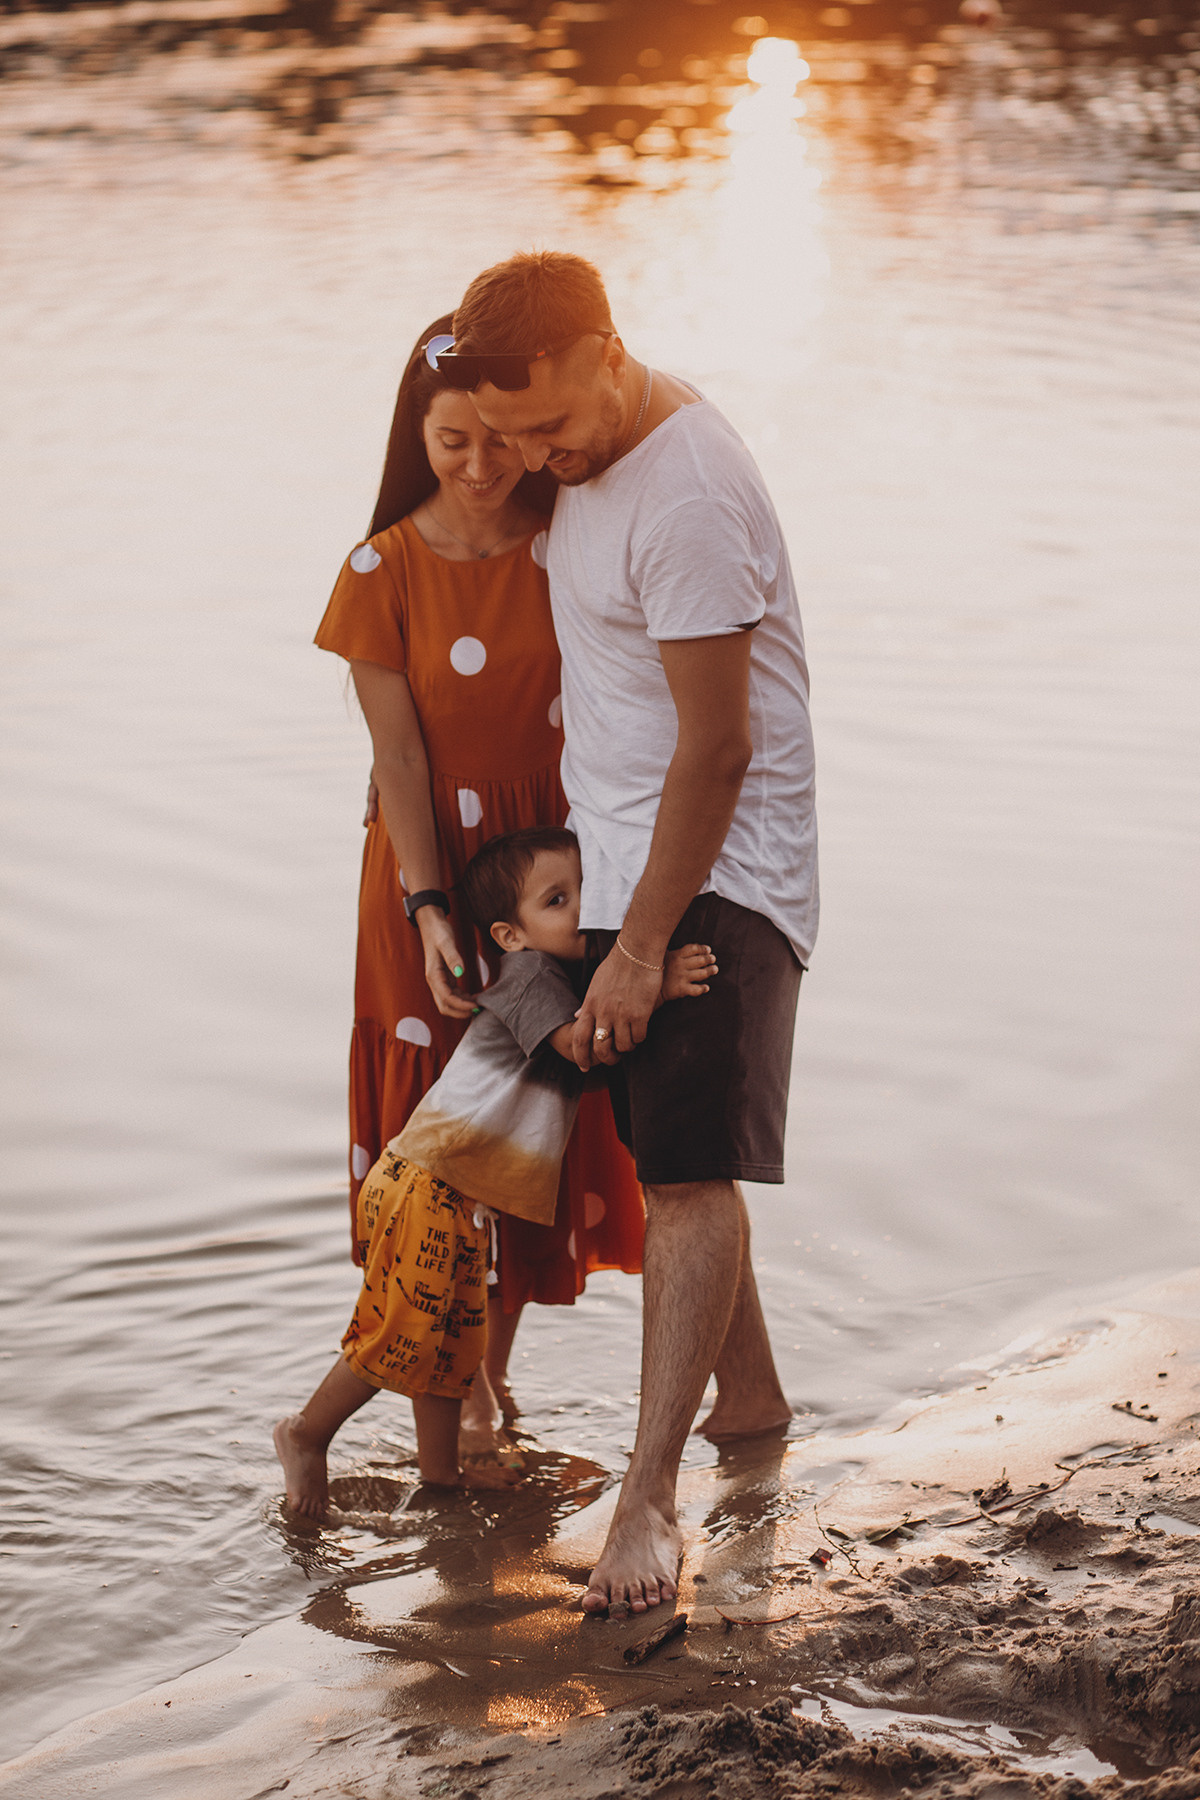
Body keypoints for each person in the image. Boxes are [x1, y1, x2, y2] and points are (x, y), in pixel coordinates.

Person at [443, 252, 819, 1616]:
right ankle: (753, 1401)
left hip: (717, 871)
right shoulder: (589, 453)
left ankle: (652, 1498)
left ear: (609, 347)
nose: (536, 456)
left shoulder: (688, 488)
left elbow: (718, 749)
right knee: (675, 1146)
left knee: (685, 1183)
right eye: (514, 433)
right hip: (627, 869)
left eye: (545, 425)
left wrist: (646, 945)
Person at [312, 312, 646, 1445]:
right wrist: (429, 908)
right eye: (452, 440)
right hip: (431, 878)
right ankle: (437, 1421)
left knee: (532, 1129)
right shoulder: (380, 568)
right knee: (437, 1154)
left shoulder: (568, 541)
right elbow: (398, 757)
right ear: (419, 434)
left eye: (497, 440)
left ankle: (487, 1382)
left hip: (549, 877)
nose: (479, 464)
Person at [273, 827, 715, 1514]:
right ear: (511, 935)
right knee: (403, 1335)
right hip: (427, 1180)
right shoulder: (530, 980)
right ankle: (306, 1434)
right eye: (557, 899)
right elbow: (578, 1046)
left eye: (584, 891)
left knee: (450, 1350)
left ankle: (441, 1483)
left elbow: (583, 1066)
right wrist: (656, 988)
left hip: (459, 1198)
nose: (579, 908)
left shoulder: (567, 980)